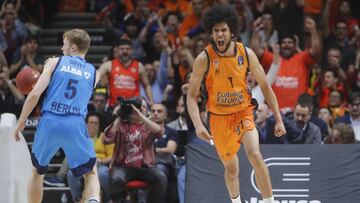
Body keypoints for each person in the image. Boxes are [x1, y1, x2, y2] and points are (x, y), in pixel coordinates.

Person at [186, 5, 286, 203]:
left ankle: (270, 201)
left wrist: (279, 120)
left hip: (244, 113)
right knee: (231, 169)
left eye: (223, 30)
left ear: (231, 31)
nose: (220, 34)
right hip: (219, 119)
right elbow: (191, 96)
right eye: (216, 31)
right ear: (211, 34)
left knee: (255, 155)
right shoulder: (203, 58)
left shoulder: (246, 53)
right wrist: (198, 125)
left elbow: (266, 87)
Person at [13, 29, 101, 203]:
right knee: (91, 173)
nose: (62, 48)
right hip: (75, 123)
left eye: (64, 43)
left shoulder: (54, 62)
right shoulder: (95, 73)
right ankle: (92, 200)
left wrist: (21, 121)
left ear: (73, 46)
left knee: (37, 172)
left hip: (50, 121)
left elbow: (35, 94)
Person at [103, 97, 167, 203]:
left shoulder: (148, 125)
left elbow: (159, 131)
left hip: (145, 167)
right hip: (123, 167)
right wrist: (119, 116)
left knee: (161, 177)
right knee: (116, 179)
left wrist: (141, 116)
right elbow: (106, 139)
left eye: (143, 107)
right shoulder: (121, 124)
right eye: (137, 108)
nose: (139, 110)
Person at [97, 39, 154, 108]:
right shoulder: (109, 65)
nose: (125, 51)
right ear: (117, 50)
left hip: (134, 107)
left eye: (127, 48)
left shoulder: (139, 66)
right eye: (122, 49)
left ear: (132, 50)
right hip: (115, 106)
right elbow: (96, 76)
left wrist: (151, 101)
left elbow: (146, 85)